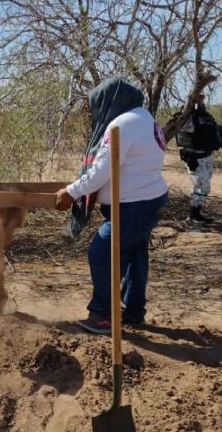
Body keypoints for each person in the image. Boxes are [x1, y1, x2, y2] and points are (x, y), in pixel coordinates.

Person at [55, 78, 168, 334]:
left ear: (109, 101)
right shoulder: (144, 118)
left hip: (132, 207)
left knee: (101, 253)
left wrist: (71, 192)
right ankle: (133, 311)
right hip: (149, 200)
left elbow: (101, 171)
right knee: (134, 255)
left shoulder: (121, 124)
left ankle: (103, 315)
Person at [176, 93, 222, 224]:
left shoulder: (204, 114)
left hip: (206, 156)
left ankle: (195, 213)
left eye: (202, 96)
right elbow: (187, 130)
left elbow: (206, 130)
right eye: (198, 96)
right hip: (195, 158)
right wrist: (190, 110)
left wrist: (219, 132)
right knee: (203, 187)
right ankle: (194, 215)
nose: (201, 98)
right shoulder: (186, 116)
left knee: (201, 185)